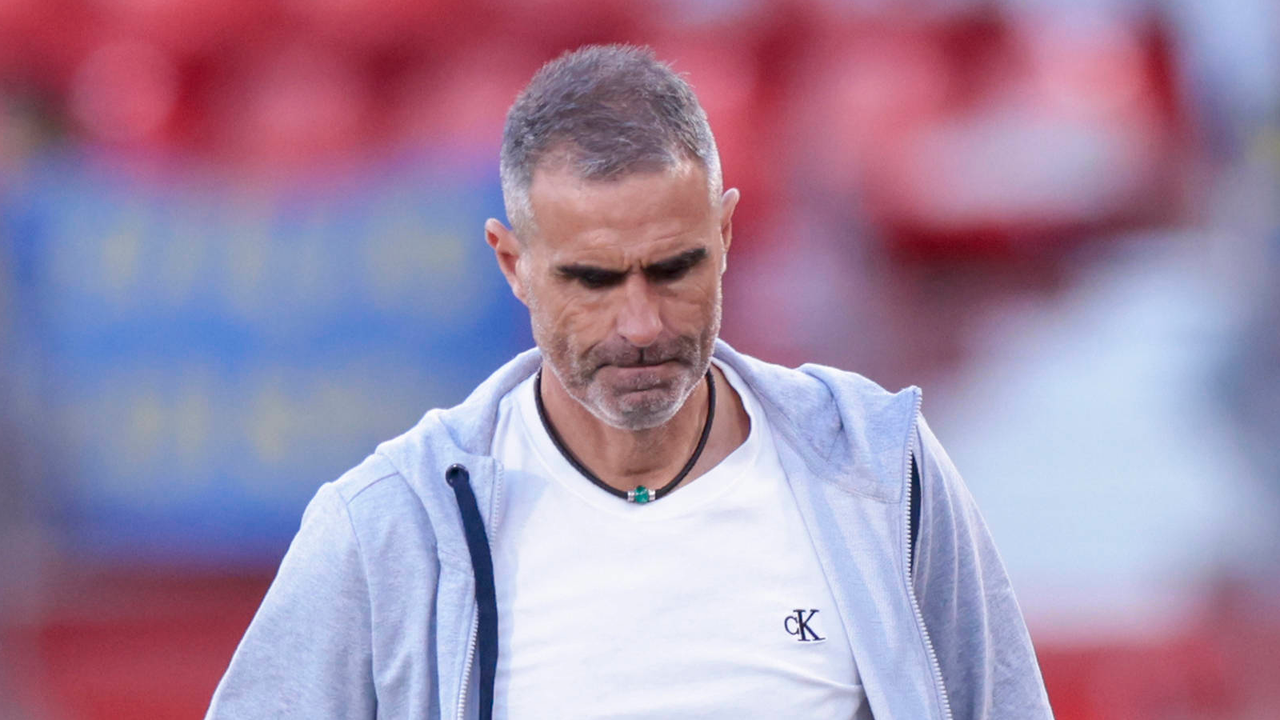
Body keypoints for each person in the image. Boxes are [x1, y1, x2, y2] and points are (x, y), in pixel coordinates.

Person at [207, 44, 1053, 720]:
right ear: (512, 263)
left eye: (674, 268)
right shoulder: (388, 525)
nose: (641, 324)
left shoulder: (880, 472)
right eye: (595, 280)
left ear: (725, 233)